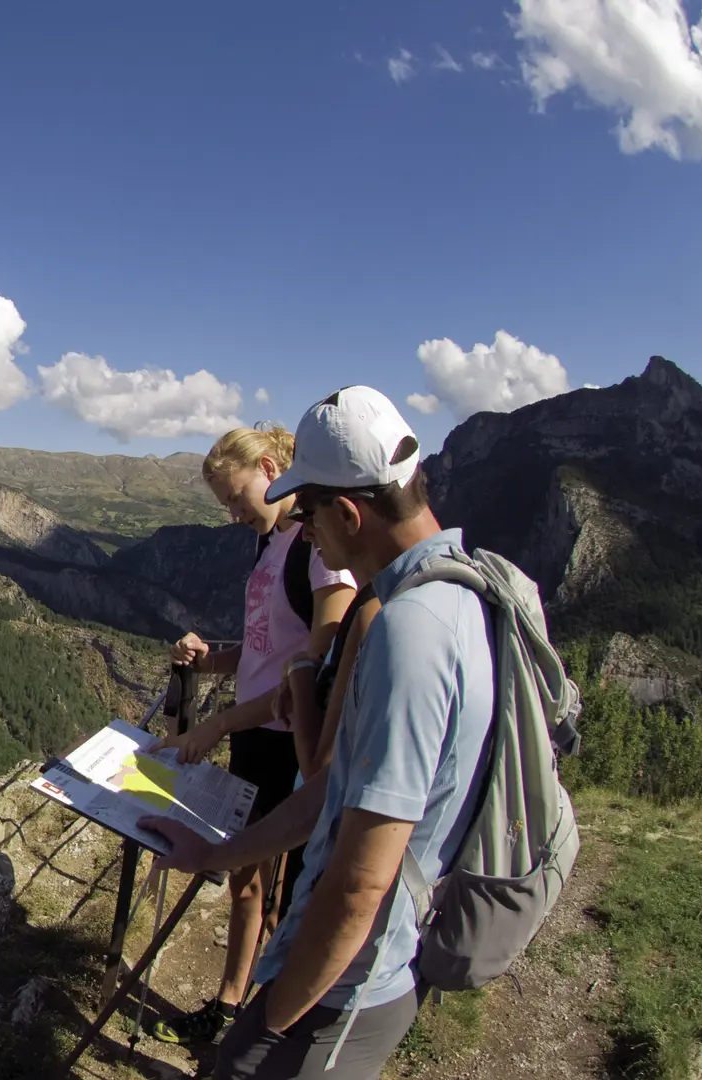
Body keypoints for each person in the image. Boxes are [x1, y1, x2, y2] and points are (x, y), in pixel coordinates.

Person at [144, 385, 495, 1080]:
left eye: (310, 517)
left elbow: (361, 876)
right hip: (355, 969)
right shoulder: (460, 597)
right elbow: (336, 790)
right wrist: (217, 857)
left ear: (346, 511)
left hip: (350, 981)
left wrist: (269, 1026)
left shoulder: (409, 630)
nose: (307, 534)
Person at [150, 425, 357, 1045]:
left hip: (287, 746)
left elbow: (311, 679)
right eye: (226, 505)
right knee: (247, 882)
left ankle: (263, 1022)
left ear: (270, 467)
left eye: (238, 497)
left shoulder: (317, 549)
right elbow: (267, 651)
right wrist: (209, 658)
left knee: (280, 889)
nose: (234, 514)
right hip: (254, 735)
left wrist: (218, 723)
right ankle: (231, 1005)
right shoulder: (271, 545)